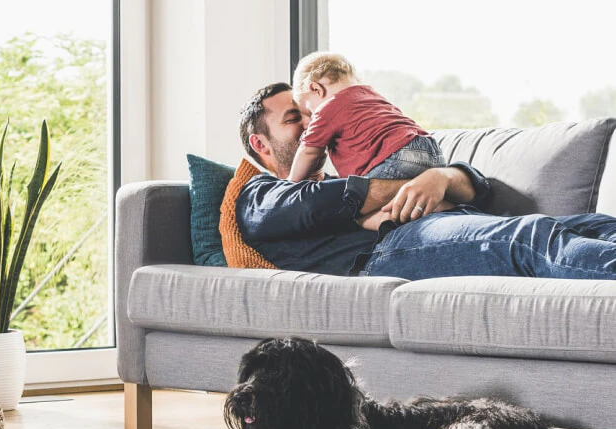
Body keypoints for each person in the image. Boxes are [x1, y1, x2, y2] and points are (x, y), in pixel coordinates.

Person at [237, 82, 616, 280]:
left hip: (443, 223)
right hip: (385, 251)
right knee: (528, 240)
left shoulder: (352, 164)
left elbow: (478, 187)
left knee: (594, 224)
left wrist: (438, 177)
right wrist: (407, 189)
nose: (311, 123)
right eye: (293, 119)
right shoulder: (260, 193)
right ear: (260, 143)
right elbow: (313, 204)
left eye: (309, 113)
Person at [287, 52, 446, 182]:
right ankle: (444, 204)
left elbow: (308, 152)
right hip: (432, 151)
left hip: (399, 156)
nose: (309, 121)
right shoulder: (370, 95)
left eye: (309, 110)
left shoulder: (327, 108)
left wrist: (290, 183)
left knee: (354, 201)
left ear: (316, 89)